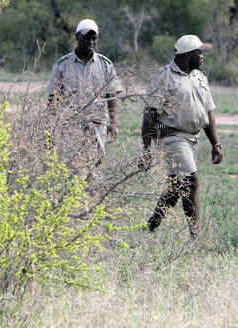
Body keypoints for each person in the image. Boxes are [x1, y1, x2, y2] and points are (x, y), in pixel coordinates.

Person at [140, 35, 224, 239]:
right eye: (199, 52)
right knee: (191, 180)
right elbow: (149, 115)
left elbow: (208, 112)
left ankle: (150, 227)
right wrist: (145, 150)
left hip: (193, 139)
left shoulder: (200, 76)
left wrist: (216, 144)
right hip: (172, 138)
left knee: (176, 187)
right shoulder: (164, 77)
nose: (202, 56)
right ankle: (195, 235)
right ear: (188, 55)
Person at [45, 19, 123, 169]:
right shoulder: (62, 64)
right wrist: (50, 129)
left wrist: (113, 124)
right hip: (71, 124)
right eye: (86, 37)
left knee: (95, 166)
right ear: (77, 37)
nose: (91, 41)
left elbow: (112, 97)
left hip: (97, 123)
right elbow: (52, 100)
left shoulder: (105, 64)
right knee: (73, 166)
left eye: (94, 38)